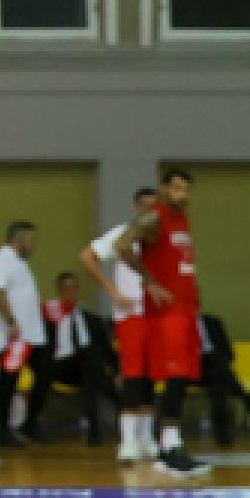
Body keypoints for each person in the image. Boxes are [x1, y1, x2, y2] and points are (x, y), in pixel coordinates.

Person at [116, 167, 211, 477]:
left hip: (185, 310)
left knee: (184, 377)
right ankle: (168, 447)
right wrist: (150, 281)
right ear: (164, 189)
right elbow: (121, 245)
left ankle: (173, 444)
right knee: (175, 378)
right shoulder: (153, 218)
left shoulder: (182, 218)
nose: (183, 195)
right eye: (177, 188)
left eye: (187, 190)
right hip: (165, 314)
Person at [82, 185, 159, 462]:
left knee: (151, 376)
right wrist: (113, 291)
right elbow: (87, 256)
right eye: (145, 205)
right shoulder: (122, 233)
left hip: (157, 314)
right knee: (132, 374)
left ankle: (147, 437)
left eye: (154, 205)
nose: (149, 210)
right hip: (131, 313)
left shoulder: (162, 237)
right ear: (136, 208)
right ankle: (127, 440)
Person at [35, 271, 116, 445]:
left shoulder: (93, 320)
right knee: (93, 366)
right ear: (59, 291)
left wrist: (119, 372)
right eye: (66, 289)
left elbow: (107, 351)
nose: (71, 292)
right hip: (57, 367)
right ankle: (118, 412)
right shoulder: (48, 318)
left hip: (86, 368)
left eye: (74, 288)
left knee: (90, 366)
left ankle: (94, 429)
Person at [0, 221, 48, 447]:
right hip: (13, 337)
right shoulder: (0, 260)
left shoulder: (19, 263)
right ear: (19, 239)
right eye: (31, 241)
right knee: (8, 383)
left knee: (44, 375)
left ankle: (30, 422)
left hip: (31, 335)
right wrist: (10, 321)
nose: (34, 246)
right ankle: (3, 429)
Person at [198, 312, 249, 446]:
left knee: (218, 386)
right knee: (218, 368)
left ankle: (223, 436)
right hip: (190, 369)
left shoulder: (212, 322)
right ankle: (243, 395)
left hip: (213, 370)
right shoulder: (178, 324)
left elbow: (228, 352)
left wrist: (218, 359)